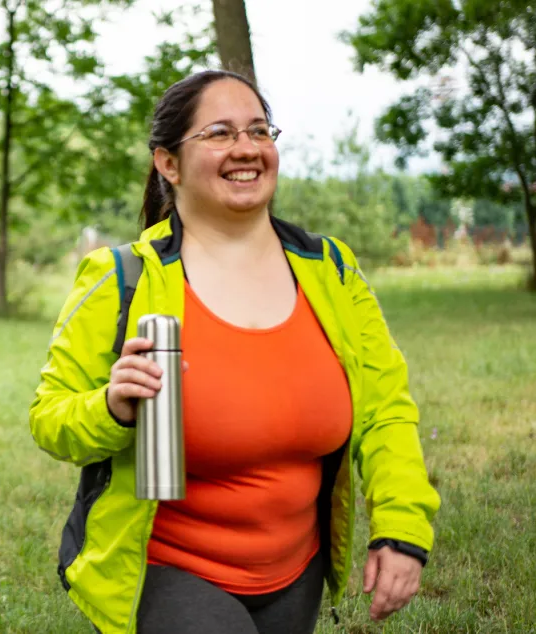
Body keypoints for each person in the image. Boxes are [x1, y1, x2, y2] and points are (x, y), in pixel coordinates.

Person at [29, 70, 440, 634]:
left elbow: (386, 410)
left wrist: (402, 530)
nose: (245, 148)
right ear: (168, 163)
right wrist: (112, 406)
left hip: (296, 572)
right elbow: (49, 418)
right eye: (219, 133)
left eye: (258, 131)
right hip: (166, 567)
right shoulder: (121, 276)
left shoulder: (332, 269)